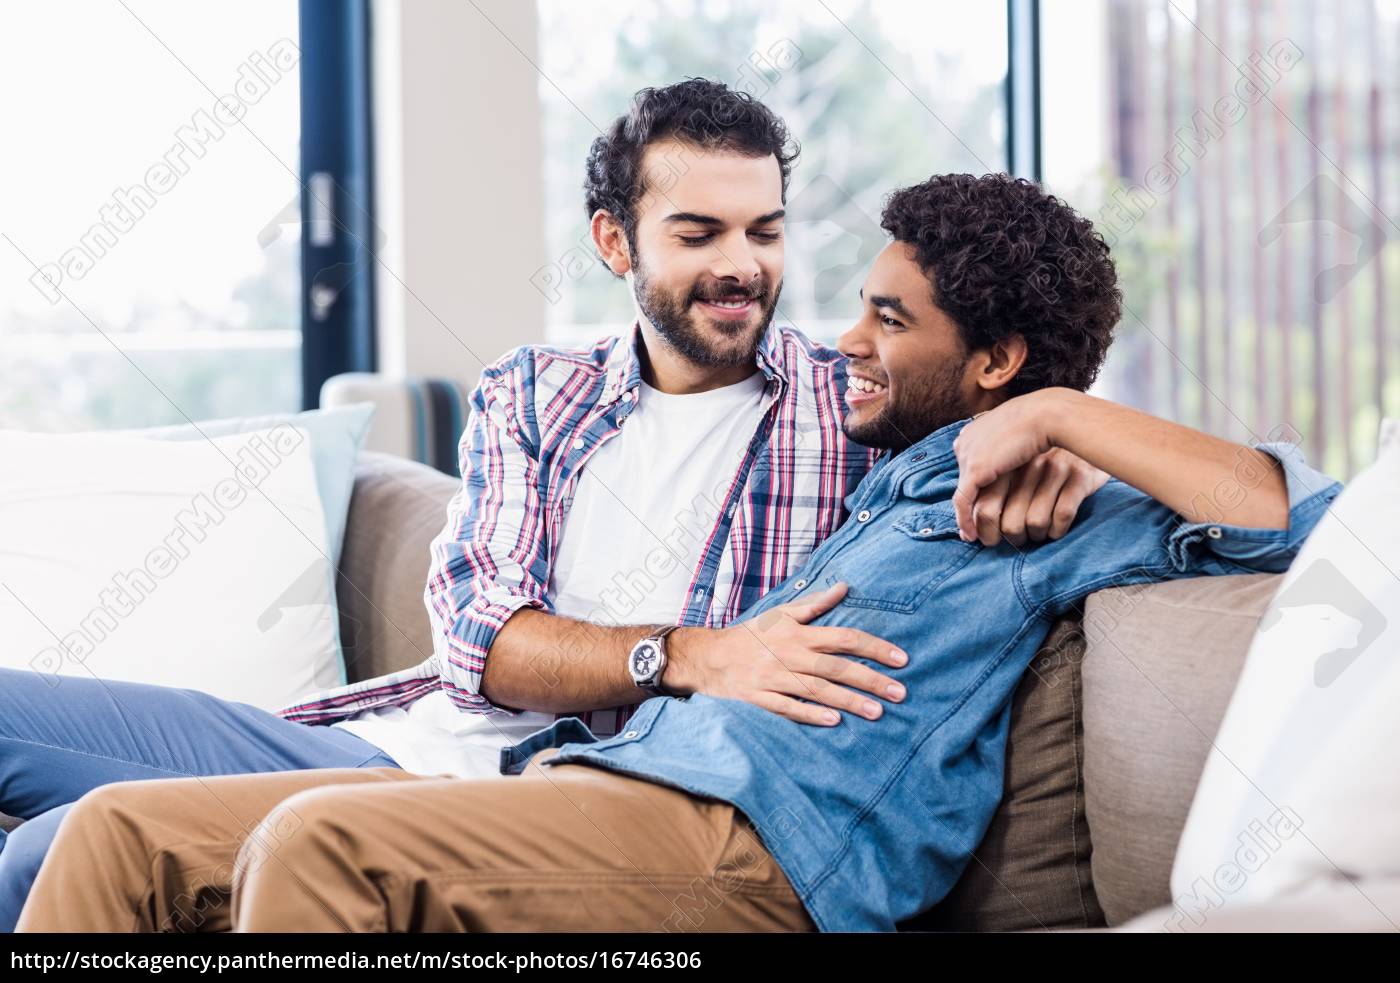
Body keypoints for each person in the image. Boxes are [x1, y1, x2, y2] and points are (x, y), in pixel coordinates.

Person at [17, 172, 1342, 933]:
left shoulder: (1061, 506)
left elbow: (1306, 515)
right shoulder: (867, 469)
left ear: (993, 362)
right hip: (608, 783)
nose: (846, 340)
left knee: (319, 851)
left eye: (889, 319)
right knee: (122, 832)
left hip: (754, 847)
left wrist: (1058, 417)